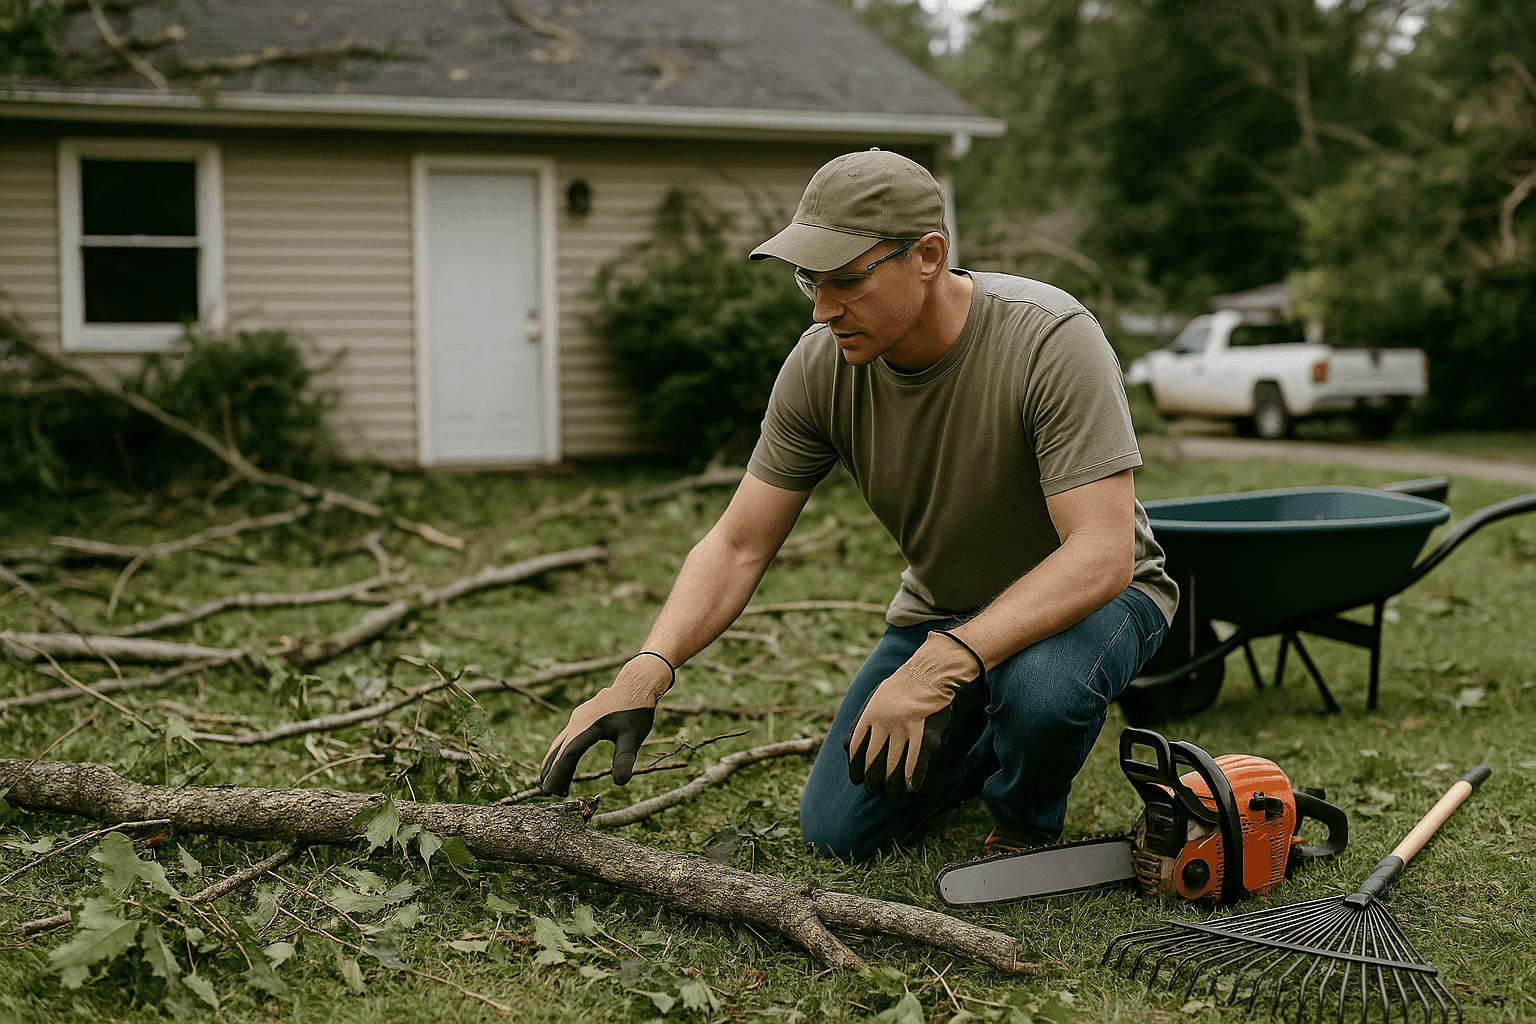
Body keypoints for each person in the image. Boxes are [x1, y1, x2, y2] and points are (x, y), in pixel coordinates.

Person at [540, 149, 1178, 860]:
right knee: (836, 832)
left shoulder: (1050, 339)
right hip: (945, 608)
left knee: (1040, 693)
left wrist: (941, 665)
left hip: (1099, 600)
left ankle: (1025, 818)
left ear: (928, 255)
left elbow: (1100, 554)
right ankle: (981, 739)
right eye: (808, 281)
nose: (821, 309)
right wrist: (645, 670)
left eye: (845, 281)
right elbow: (738, 543)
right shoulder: (821, 366)